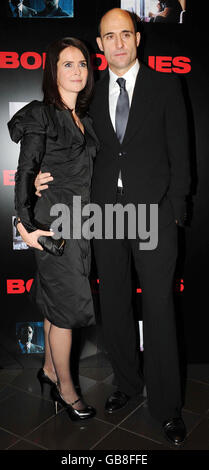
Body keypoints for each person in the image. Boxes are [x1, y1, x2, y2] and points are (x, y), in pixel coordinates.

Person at [34, 8, 190, 444]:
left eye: (126, 33)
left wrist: (175, 209)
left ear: (138, 38)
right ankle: (127, 383)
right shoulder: (90, 93)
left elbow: (181, 151)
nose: (118, 42)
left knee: (158, 307)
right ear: (99, 45)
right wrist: (41, 176)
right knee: (116, 301)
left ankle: (167, 405)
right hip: (104, 214)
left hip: (154, 213)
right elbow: (70, 144)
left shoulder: (166, 85)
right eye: (109, 36)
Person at [8, 37, 99, 421]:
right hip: (51, 228)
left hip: (82, 226)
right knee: (65, 312)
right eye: (67, 64)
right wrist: (26, 226)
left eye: (81, 64)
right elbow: (25, 172)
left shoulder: (87, 120)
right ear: (53, 71)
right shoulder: (42, 115)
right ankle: (66, 389)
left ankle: (48, 369)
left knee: (53, 304)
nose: (76, 70)